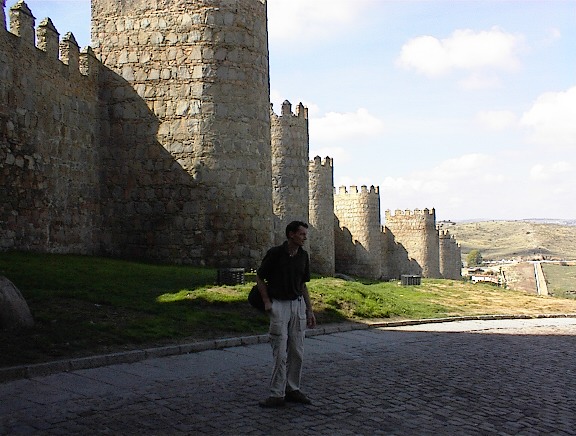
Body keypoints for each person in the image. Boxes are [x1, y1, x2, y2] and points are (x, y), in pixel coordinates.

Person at [256, 220, 316, 408]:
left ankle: (292, 389)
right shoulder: (275, 253)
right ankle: (277, 393)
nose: (305, 238)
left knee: (297, 351)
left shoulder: (303, 256)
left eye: (305, 234)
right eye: (302, 234)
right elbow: (260, 277)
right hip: (279, 305)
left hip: (297, 305)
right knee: (280, 352)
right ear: (291, 234)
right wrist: (266, 301)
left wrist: (309, 309)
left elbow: (303, 284)